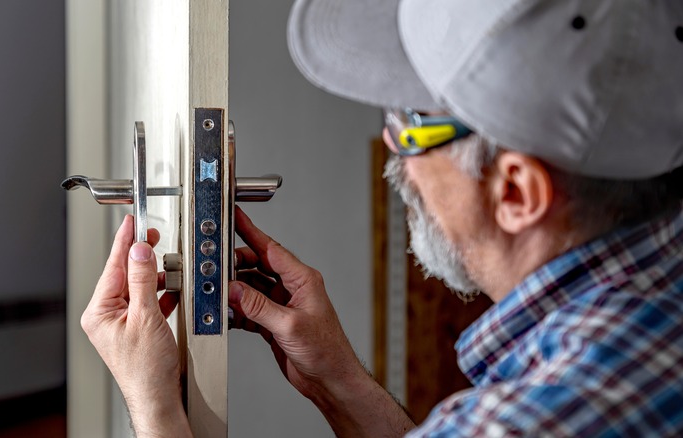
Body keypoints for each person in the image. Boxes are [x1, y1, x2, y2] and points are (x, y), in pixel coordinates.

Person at [80, 0, 683, 436]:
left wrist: (155, 406)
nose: (395, 154)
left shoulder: (527, 421)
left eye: (411, 122)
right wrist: (337, 380)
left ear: (518, 192)